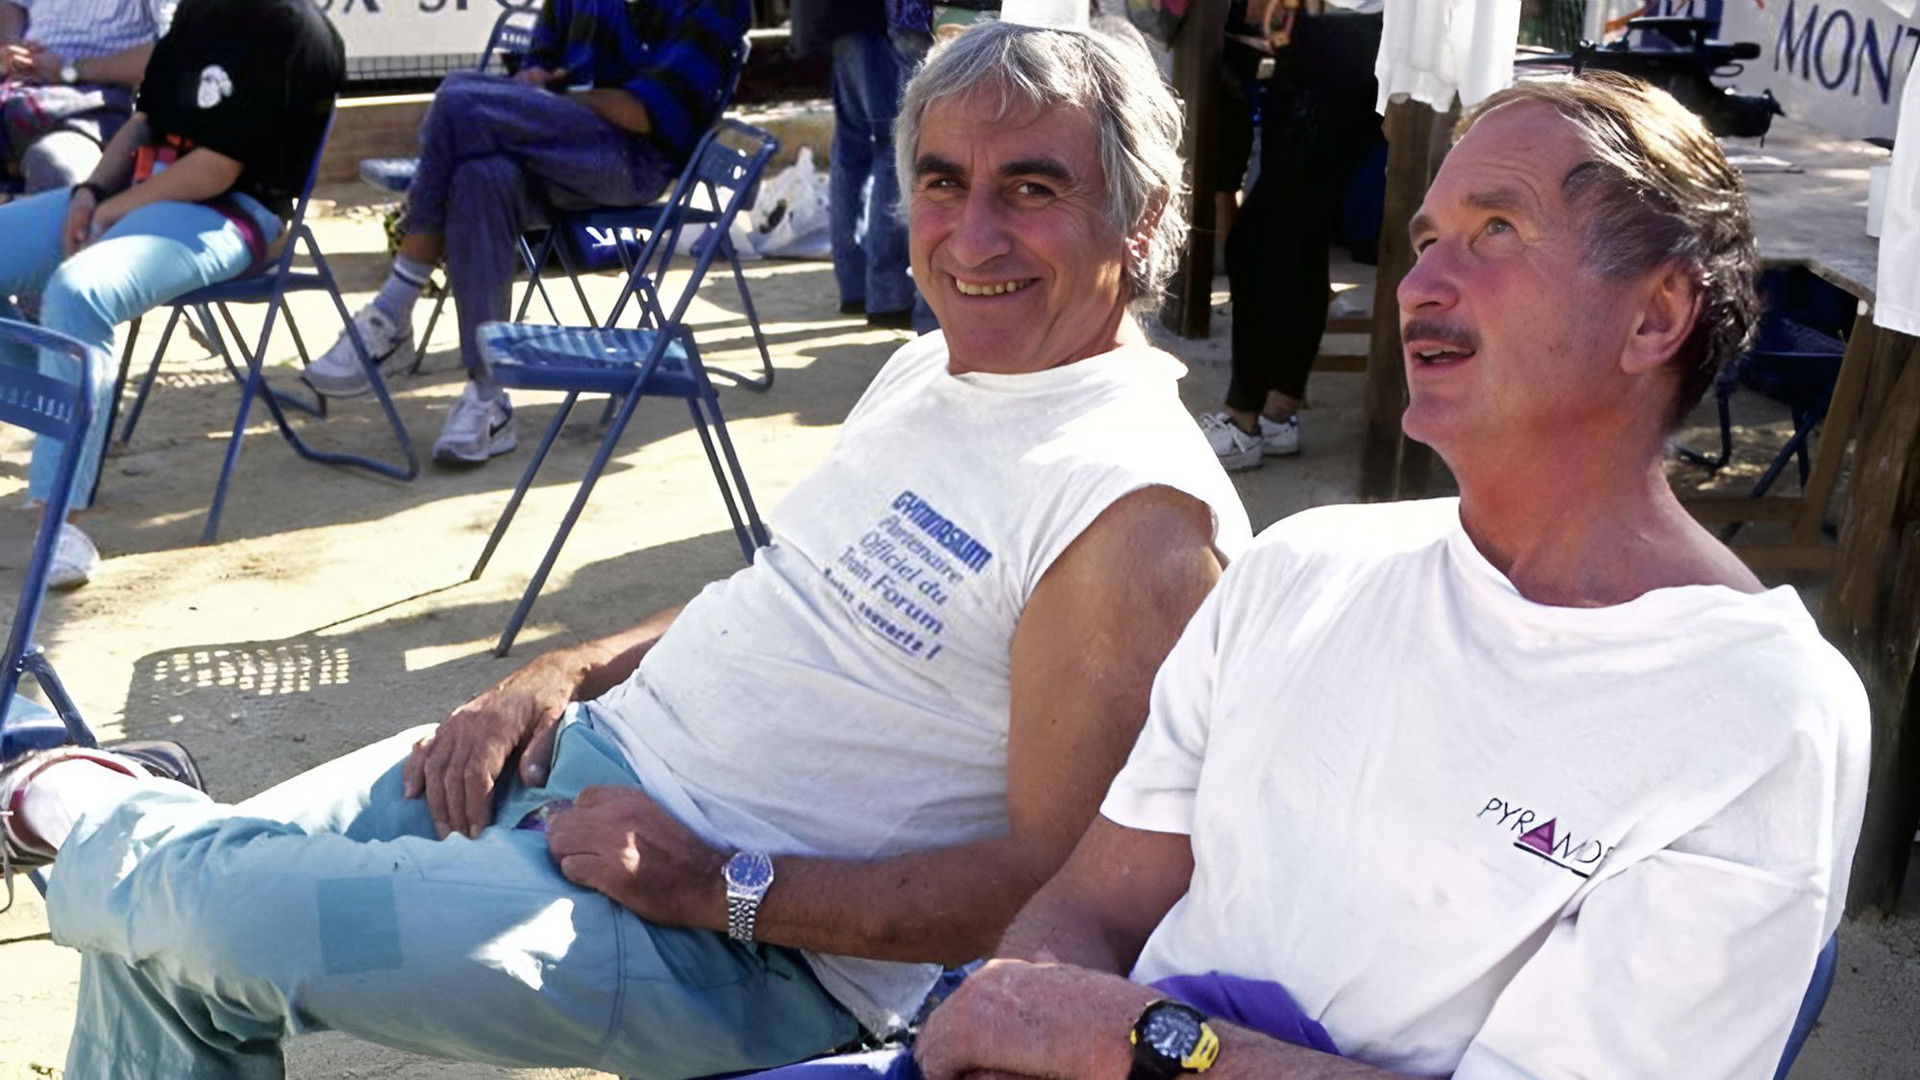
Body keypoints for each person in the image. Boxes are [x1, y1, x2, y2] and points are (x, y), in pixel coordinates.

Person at [0, 20, 1253, 1079]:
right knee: (154, 940)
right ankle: (118, 814)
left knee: (222, 909)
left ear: (1138, 224)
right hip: (594, 768)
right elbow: (786, 589)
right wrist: (560, 673)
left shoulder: (1131, 515)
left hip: (737, 945)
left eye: (1031, 189)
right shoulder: (935, 364)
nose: (969, 238)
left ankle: (68, 799)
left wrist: (720, 884)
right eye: (940, 181)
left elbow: (1061, 884)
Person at [902, 72, 1870, 1080]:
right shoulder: (1306, 564)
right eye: (1425, 240)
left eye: (1496, 230)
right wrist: (1024, 1017)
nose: (1418, 285)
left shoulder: (1750, 714)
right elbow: (1096, 902)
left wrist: (1125, 1043)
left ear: (1655, 315)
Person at [299, 0, 751, 467]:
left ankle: (393, 309)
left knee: (460, 98)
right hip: (555, 143)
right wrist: (532, 81)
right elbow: (542, 56)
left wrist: (546, 105)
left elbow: (648, 115)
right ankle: (487, 395)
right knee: (481, 178)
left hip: (632, 163)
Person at [0, 0, 340, 589]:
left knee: (78, 293)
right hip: (147, 188)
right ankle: (78, 403)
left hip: (236, 213)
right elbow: (144, 120)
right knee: (60, 298)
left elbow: (216, 170)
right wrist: (89, 190)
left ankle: (63, 517)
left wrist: (110, 209)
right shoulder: (199, 11)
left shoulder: (290, 26)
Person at [1200, 0, 1383, 468]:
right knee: (1299, 236)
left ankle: (1243, 418)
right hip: (1317, 39)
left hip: (1346, 40)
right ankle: (1279, 412)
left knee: (1261, 240)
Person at [791, 0, 921, 329]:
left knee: (855, 147)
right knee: (889, 145)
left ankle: (855, 285)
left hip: (836, 19)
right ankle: (887, 293)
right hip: (868, 19)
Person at [0, 0, 171, 194]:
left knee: (56, 166)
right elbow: (12, 5)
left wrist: (71, 69)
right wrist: (10, 44)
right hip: (18, 88)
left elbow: (172, 55)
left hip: (103, 105)